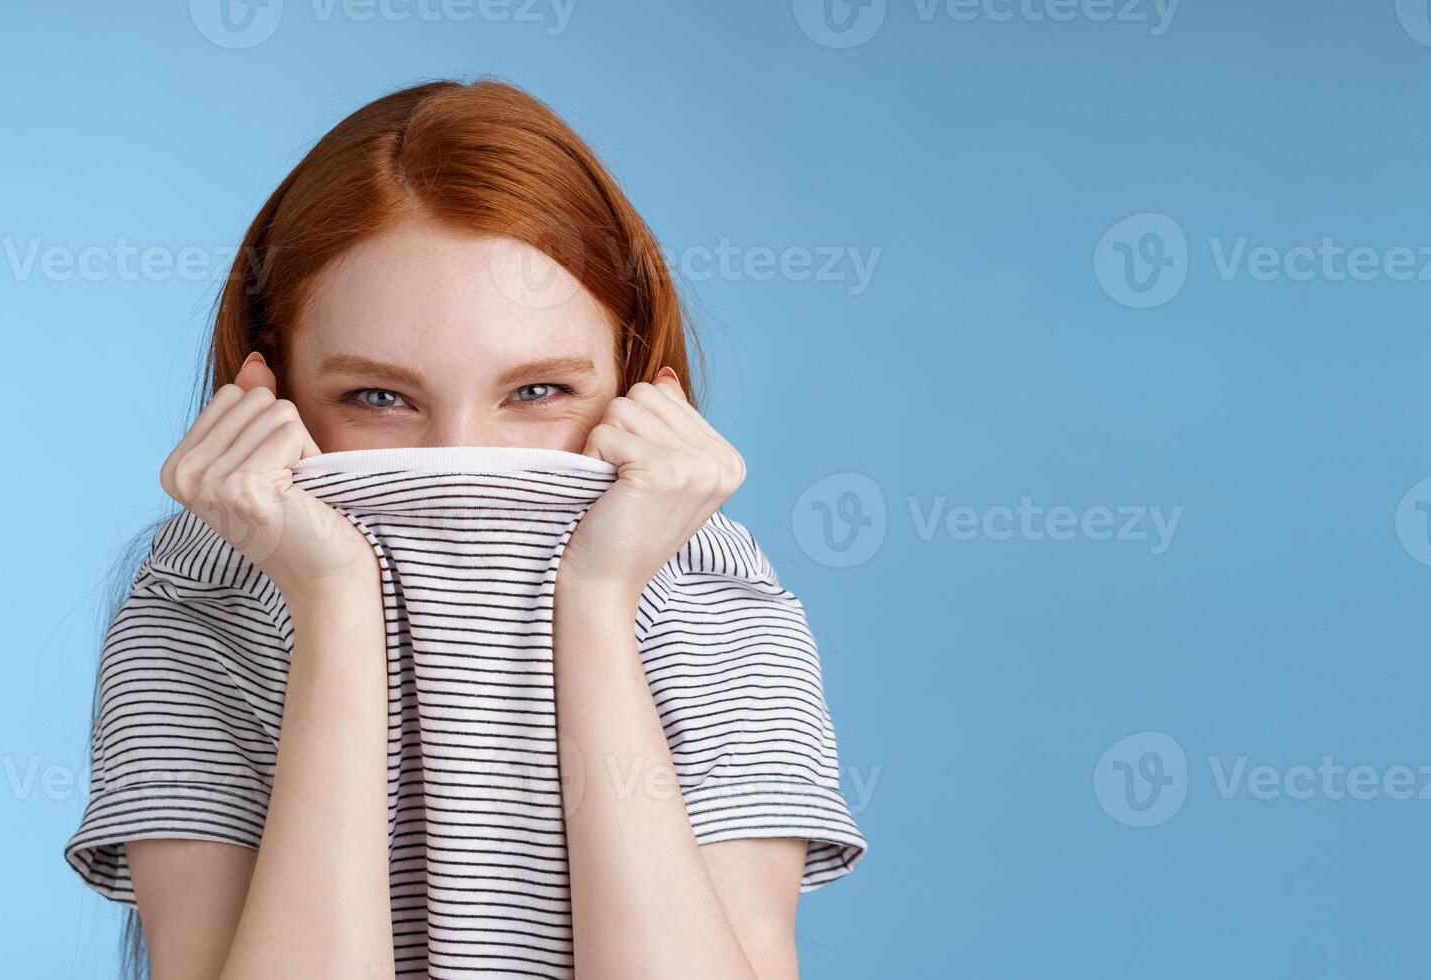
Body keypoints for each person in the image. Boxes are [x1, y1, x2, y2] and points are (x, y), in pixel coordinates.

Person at [67, 78, 862, 979]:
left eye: (536, 392)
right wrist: (333, 611)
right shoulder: (204, 602)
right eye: (378, 397)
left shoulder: (711, 596)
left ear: (637, 382)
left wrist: (598, 603)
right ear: (274, 393)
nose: (460, 458)